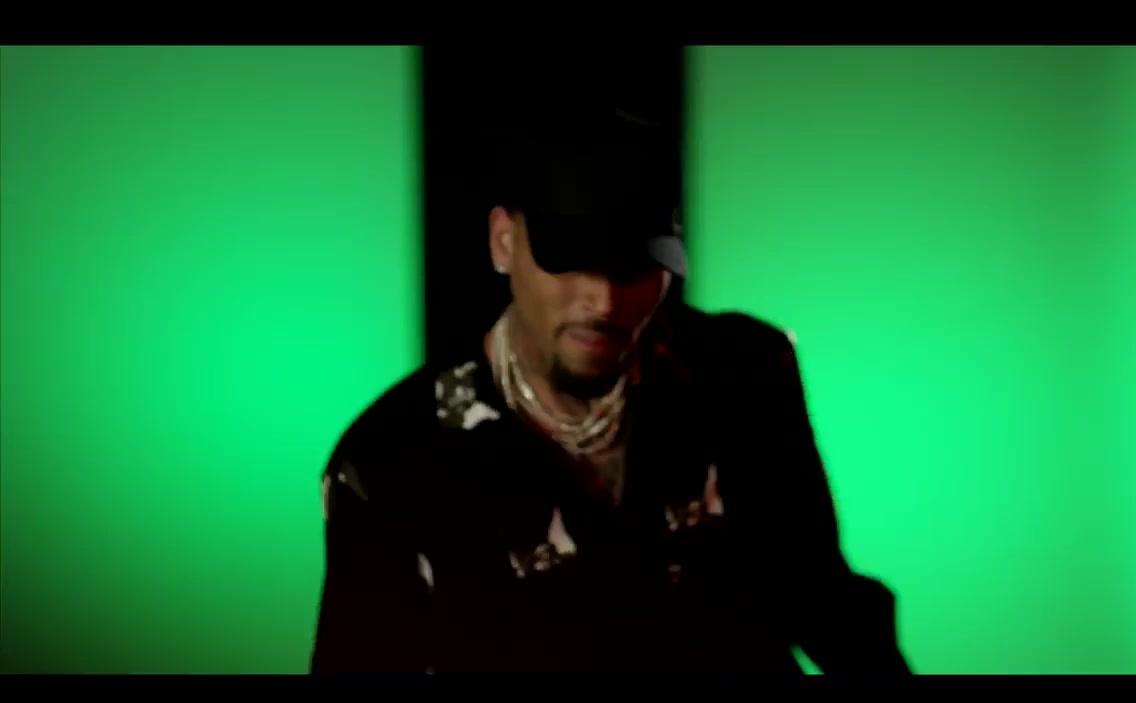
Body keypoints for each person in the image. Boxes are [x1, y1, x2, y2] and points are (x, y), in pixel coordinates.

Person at [309, 102, 911, 674]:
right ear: (503, 242)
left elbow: (826, 603)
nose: (603, 300)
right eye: (571, 259)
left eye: (635, 264)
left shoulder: (740, 374)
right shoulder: (391, 462)